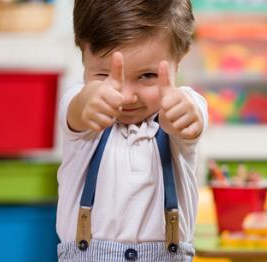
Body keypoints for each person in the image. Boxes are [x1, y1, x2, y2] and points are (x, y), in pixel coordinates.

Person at [56, 0, 207, 261]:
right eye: (104, 75)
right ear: (82, 55)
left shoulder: (183, 104)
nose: (126, 97)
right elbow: (79, 108)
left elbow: (192, 119)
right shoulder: (82, 112)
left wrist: (181, 118)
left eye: (147, 76)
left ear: (179, 60)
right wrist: (91, 99)